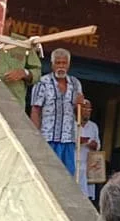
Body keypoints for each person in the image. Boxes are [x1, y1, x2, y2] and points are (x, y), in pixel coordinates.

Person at [31, 48, 84, 176]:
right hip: (47, 138)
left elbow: (79, 116)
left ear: (69, 65)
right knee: (47, 174)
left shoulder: (76, 84)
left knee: (67, 176)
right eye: (58, 63)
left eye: (64, 63)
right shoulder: (42, 83)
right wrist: (35, 136)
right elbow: (35, 110)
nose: (61, 66)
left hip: (68, 140)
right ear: (52, 64)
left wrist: (79, 105)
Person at [0, 19, 41, 106]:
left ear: (9, 21)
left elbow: (37, 72)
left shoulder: (22, 43)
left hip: (14, 102)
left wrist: (24, 73)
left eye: (1, 19)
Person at [77, 99, 101, 201]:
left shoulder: (93, 126)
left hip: (89, 165)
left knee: (88, 196)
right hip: (75, 163)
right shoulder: (72, 124)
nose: (87, 111)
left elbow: (98, 144)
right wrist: (80, 141)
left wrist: (95, 145)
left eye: (89, 109)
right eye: (85, 108)